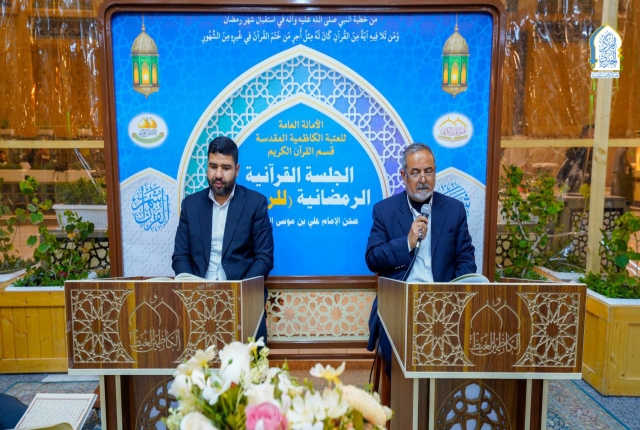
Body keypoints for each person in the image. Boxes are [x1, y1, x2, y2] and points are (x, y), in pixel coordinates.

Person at [365, 143, 476, 376]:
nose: (423, 179)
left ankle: (440, 397)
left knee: (458, 353)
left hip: (445, 304)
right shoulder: (385, 211)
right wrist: (407, 242)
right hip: (401, 305)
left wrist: (454, 298)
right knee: (399, 357)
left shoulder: (454, 210)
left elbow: (465, 260)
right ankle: (403, 397)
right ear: (403, 176)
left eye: (428, 171)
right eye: (415, 173)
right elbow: (373, 258)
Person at [172, 136, 274, 341]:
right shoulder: (191, 205)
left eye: (225, 168)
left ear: (237, 169)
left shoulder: (255, 204)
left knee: (248, 360)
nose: (218, 174)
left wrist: (236, 292)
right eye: (213, 166)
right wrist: (194, 292)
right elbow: (180, 257)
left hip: (243, 299)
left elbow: (264, 258)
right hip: (197, 300)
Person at [556, 125, 594, 192]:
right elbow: (564, 171)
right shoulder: (573, 152)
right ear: (583, 137)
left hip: (586, 192)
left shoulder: (595, 155)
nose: (593, 139)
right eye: (592, 137)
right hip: (571, 190)